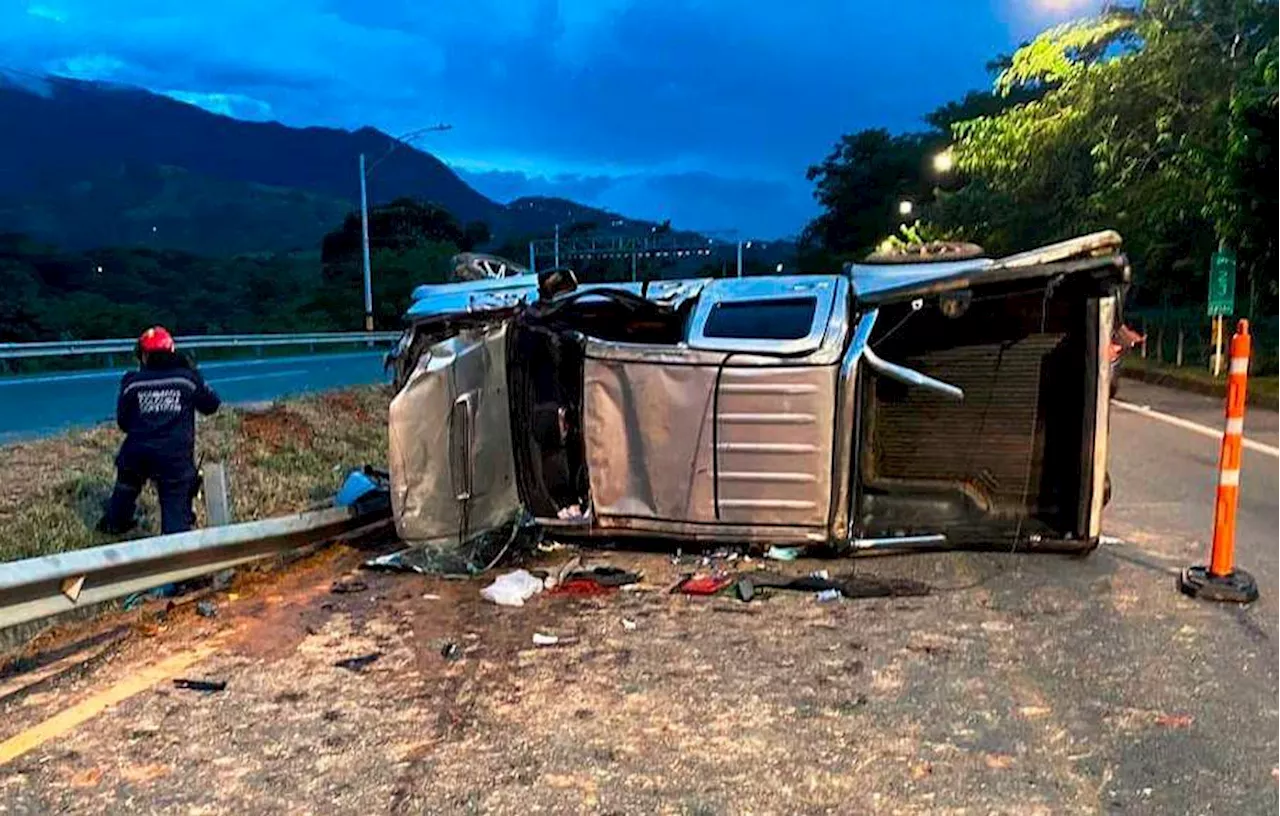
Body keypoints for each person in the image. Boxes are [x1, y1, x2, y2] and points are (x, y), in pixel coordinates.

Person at [98, 327, 221, 536]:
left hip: (137, 451)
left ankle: (115, 522)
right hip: (174, 457)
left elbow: (123, 422)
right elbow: (211, 405)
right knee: (175, 508)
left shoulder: (132, 382)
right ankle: (174, 545)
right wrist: (196, 374)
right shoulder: (187, 380)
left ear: (144, 356)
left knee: (126, 482)